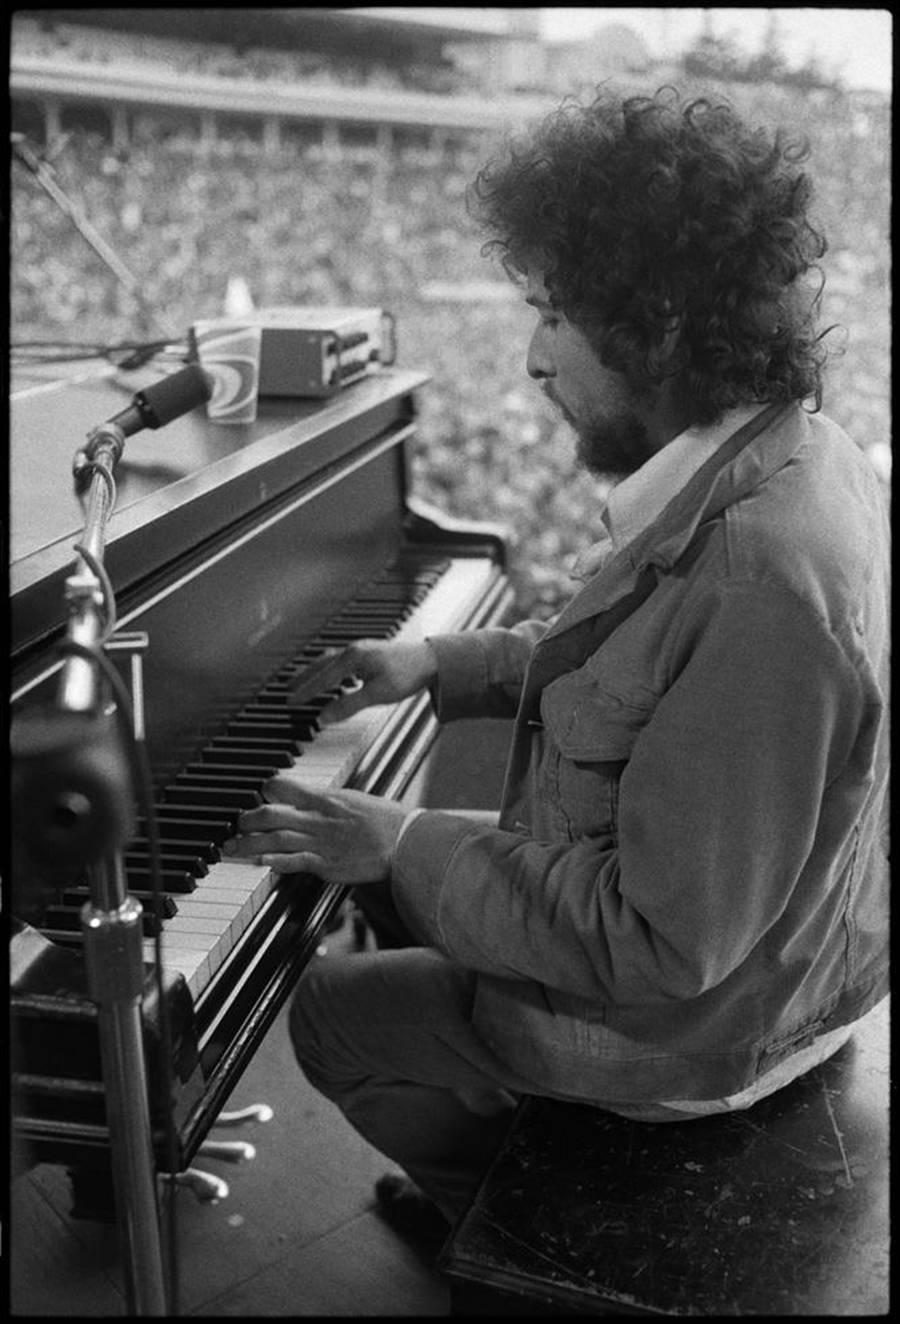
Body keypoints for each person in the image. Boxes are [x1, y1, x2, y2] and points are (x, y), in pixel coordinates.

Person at [223, 86, 890, 1258]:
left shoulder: (761, 579)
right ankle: (499, 1110)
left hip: (703, 1029)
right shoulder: (785, 452)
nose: (530, 355)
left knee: (328, 1007)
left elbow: (660, 944)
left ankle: (508, 1221)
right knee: (397, 872)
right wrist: (436, 662)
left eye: (555, 311)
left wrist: (399, 842)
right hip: (765, 944)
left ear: (665, 319)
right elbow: (644, 676)